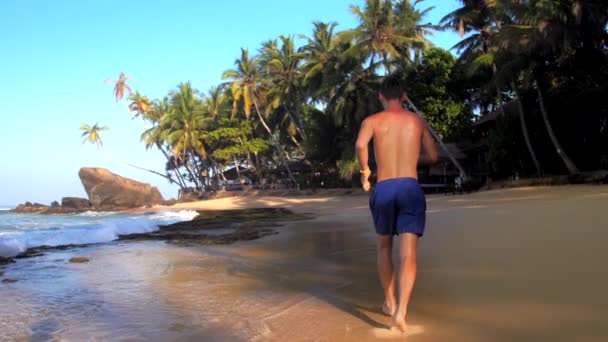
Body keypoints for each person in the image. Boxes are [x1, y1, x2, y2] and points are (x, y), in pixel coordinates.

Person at [355, 76, 438, 332]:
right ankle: (401, 313)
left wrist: (365, 172)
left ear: (381, 96)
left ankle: (389, 302)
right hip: (410, 187)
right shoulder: (417, 121)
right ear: (404, 96)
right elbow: (433, 156)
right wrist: (413, 157)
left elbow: (360, 145)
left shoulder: (372, 121)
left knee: (383, 248)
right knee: (408, 254)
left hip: (385, 187)